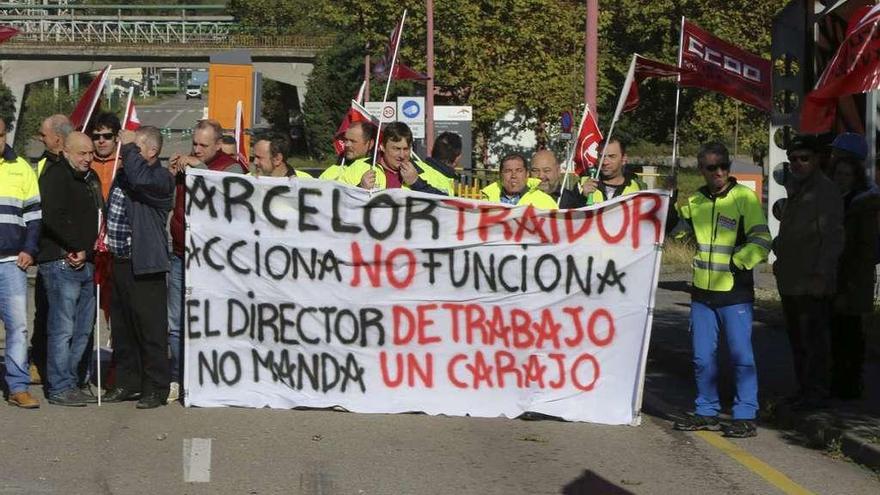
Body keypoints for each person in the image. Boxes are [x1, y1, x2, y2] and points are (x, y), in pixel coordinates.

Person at [671, 142, 770, 438]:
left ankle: (745, 414)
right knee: (702, 358)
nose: (719, 172)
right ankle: (706, 410)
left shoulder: (744, 198)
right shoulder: (696, 201)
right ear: (701, 169)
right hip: (702, 292)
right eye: (711, 167)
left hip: (734, 292)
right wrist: (669, 200)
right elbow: (676, 230)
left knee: (742, 357)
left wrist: (739, 262)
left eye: (724, 166)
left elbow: (762, 239)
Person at [166, 120, 245, 402]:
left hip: (210, 262)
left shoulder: (231, 167)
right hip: (179, 254)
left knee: (210, 321)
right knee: (176, 323)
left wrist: (196, 168)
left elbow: (222, 195)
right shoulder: (188, 165)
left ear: (218, 144)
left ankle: (207, 378)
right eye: (194, 144)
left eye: (203, 145)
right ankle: (176, 377)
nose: (197, 150)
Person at [103, 126, 175, 409]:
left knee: (150, 329)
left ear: (152, 152)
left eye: (136, 148)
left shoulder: (159, 178)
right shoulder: (128, 173)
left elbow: (140, 179)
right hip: (120, 261)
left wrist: (130, 146)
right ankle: (127, 381)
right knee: (122, 328)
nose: (128, 152)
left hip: (146, 264)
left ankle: (156, 386)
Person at [774, 135, 844, 410]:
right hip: (791, 279)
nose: (798, 164)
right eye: (793, 159)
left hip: (811, 281)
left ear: (816, 160)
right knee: (798, 340)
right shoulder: (797, 188)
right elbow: (791, 230)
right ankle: (803, 389)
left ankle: (815, 392)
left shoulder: (824, 190)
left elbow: (833, 238)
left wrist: (821, 274)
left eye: (804, 158)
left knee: (813, 341)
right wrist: (779, 258)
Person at [37, 132, 102, 406]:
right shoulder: (55, 176)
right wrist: (75, 245)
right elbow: (53, 216)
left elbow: (99, 212)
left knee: (84, 328)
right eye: (82, 153)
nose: (88, 158)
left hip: (88, 261)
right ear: (65, 151)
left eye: (90, 153)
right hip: (62, 261)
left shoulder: (91, 178)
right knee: (62, 328)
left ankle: (74, 379)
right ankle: (59, 386)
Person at [0, 115, 42, 409]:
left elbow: (34, 216)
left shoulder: (22, 168)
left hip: (12, 262)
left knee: (18, 327)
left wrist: (29, 249)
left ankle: (18, 386)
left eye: (1, 135)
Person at [830, 155, 879, 400]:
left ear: (855, 178)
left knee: (850, 331)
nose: (841, 179)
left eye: (846, 175)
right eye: (838, 174)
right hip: (832, 275)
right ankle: (836, 380)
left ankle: (850, 383)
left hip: (853, 277)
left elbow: (866, 247)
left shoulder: (861, 206)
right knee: (834, 331)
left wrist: (852, 278)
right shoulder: (832, 201)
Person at [31, 114, 73, 385]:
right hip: (45, 250)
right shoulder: (43, 164)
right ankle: (38, 362)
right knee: (44, 310)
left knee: (68, 319)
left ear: (57, 138)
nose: (40, 139)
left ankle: (69, 371)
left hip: (70, 252)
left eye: (44, 135)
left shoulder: (77, 164)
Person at [339, 122, 453, 195]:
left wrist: (416, 182)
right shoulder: (357, 168)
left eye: (406, 149)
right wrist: (359, 188)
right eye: (396, 149)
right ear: (382, 147)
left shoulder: (428, 172)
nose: (402, 155)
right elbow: (336, 202)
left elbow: (448, 206)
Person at [581, 138, 647, 205]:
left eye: (612, 156)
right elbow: (572, 212)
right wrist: (581, 197)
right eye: (601, 156)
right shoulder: (583, 184)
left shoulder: (639, 189)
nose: (605, 162)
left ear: (624, 159)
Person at [480, 153, 556, 208]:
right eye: (508, 171)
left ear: (527, 174)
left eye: (519, 171)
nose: (513, 176)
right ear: (500, 175)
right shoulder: (486, 202)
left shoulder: (545, 202)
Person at [87, 112, 122, 201]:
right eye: (96, 136)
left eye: (107, 136)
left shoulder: (125, 162)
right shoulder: (86, 162)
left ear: (117, 137)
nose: (101, 141)